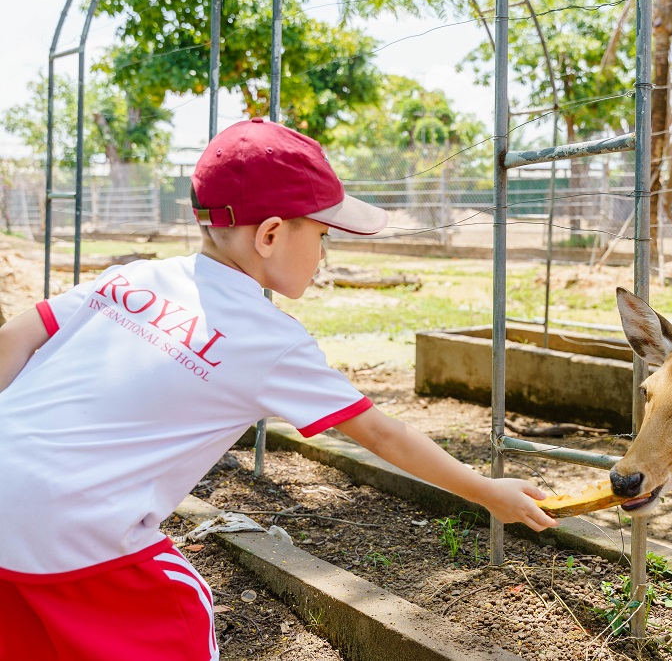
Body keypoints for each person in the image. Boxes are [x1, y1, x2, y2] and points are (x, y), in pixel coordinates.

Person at [0, 118, 558, 661]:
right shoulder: (269, 340)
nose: (323, 254)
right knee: (178, 613)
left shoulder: (134, 276)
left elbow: (16, 337)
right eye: (320, 235)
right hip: (79, 528)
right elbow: (383, 435)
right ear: (270, 235)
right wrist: (488, 491)